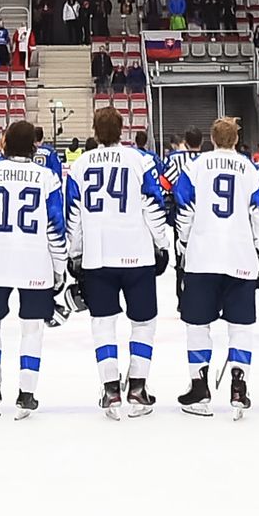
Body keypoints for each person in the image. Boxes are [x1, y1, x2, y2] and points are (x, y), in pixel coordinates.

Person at [64, 103, 171, 418]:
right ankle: (137, 386)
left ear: (95, 132)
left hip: (98, 256)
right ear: (122, 130)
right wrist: (162, 244)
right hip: (137, 254)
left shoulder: (80, 165)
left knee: (103, 324)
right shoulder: (140, 160)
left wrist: (75, 253)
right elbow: (153, 205)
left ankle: (110, 388)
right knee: (144, 323)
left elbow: (73, 216)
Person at [0, 119, 68, 418]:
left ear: (5, 143)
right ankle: (27, 392)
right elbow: (56, 225)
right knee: (32, 327)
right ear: (34, 146)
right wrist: (59, 266)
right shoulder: (47, 177)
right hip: (34, 259)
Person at [169, 117, 259, 418]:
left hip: (203, 257)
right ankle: (239, 386)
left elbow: (184, 208)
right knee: (240, 326)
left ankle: (199, 387)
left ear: (212, 139)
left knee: (197, 325)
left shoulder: (195, 167)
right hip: (240, 257)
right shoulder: (252, 170)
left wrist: (184, 242)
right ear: (236, 140)